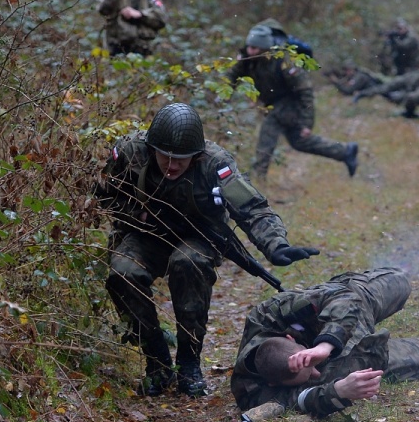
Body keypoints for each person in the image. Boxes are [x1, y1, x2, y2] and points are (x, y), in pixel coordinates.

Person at [94, 102, 321, 398]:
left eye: (182, 159)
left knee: (188, 263)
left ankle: (189, 361)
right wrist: (136, 215)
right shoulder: (129, 152)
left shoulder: (215, 164)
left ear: (196, 155)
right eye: (166, 156)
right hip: (146, 234)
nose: (172, 165)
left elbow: (252, 209)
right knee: (123, 274)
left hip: (198, 236)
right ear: (152, 148)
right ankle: (157, 361)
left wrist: (276, 246)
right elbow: (101, 193)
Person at [230, 267, 419, 416]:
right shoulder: (253, 392)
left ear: (290, 338)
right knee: (369, 363)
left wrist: (324, 345)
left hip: (340, 314)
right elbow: (295, 402)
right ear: (278, 383)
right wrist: (336, 391)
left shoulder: (270, 315)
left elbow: (343, 298)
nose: (316, 372)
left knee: (398, 282)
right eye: (308, 376)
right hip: (341, 354)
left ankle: (339, 339)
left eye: (312, 367)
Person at [228, 19, 359, 180]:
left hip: (291, 103)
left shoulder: (285, 61)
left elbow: (305, 92)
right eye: (249, 47)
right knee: (299, 142)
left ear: (265, 47)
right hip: (274, 103)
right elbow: (231, 77)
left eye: (254, 48)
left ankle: (257, 178)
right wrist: (223, 94)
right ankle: (345, 151)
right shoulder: (247, 60)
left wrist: (307, 123)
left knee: (269, 127)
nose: (250, 50)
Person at [352, 61, 419, 104]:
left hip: (408, 88)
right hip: (406, 81)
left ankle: (368, 87)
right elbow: (416, 79)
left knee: (392, 97)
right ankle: (361, 94)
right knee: (384, 87)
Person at [97, 0, 168, 56]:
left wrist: (141, 14)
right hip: (116, 47)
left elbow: (162, 18)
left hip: (142, 48)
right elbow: (103, 10)